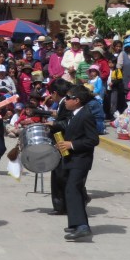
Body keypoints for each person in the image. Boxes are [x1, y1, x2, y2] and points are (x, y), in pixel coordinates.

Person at [51, 84, 100, 241]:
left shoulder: (86, 115)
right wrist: (61, 144)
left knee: (73, 189)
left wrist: (71, 145)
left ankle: (82, 226)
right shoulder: (74, 114)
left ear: (77, 100)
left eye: (68, 98)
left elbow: (93, 140)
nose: (65, 100)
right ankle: (76, 223)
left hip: (81, 160)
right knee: (71, 190)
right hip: (71, 159)